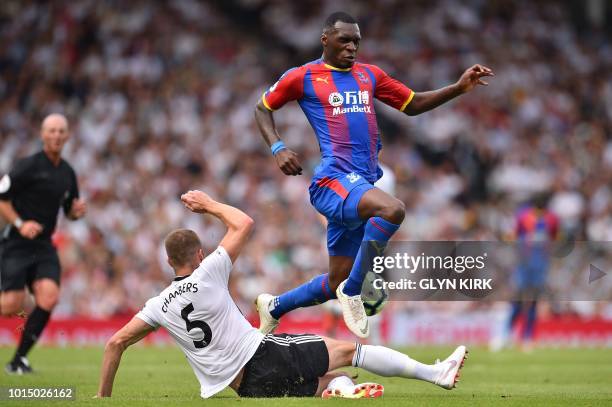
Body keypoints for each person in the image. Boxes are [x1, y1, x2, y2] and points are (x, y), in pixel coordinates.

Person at [254, 11, 494, 337]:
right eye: (344, 40)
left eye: (356, 41)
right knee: (392, 209)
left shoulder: (369, 75)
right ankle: (354, 291)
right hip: (332, 180)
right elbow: (263, 107)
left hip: (359, 184)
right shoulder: (304, 76)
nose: (352, 47)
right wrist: (278, 147)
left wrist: (457, 88)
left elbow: (412, 104)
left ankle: (274, 307)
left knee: (334, 281)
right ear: (325, 39)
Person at [97, 190, 468, 399]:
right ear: (199, 254)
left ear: (166, 261)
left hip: (245, 387)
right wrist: (208, 205)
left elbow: (115, 343)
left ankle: (335, 390)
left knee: (331, 377)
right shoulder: (209, 271)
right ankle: (437, 373)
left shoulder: (157, 305)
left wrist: (103, 397)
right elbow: (243, 222)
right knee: (351, 351)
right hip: (261, 354)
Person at [0, 113, 87, 374]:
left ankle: (18, 361)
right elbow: (2, 197)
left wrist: (75, 213)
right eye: (52, 131)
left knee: (49, 297)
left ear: (68, 136)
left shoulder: (68, 173)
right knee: (10, 307)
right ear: (42, 134)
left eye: (61, 131)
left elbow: (69, 210)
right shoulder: (27, 165)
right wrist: (20, 224)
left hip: (44, 245)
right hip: (16, 243)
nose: (57, 135)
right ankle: (18, 360)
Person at [491, 195, 559, 352]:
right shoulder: (524, 216)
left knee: (533, 301)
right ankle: (506, 335)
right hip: (524, 265)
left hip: (540, 265)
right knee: (519, 300)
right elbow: (514, 235)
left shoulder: (551, 219)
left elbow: (553, 238)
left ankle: (526, 337)